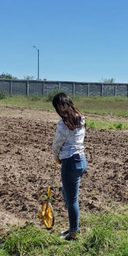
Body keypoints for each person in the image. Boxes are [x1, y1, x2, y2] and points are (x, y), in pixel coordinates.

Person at [51, 93, 87, 241]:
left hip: (70, 162)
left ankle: (74, 234)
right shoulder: (81, 118)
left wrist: (56, 158)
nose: (62, 109)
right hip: (81, 160)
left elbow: (57, 144)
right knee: (68, 195)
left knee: (71, 199)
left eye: (61, 106)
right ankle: (73, 227)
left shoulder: (62, 124)